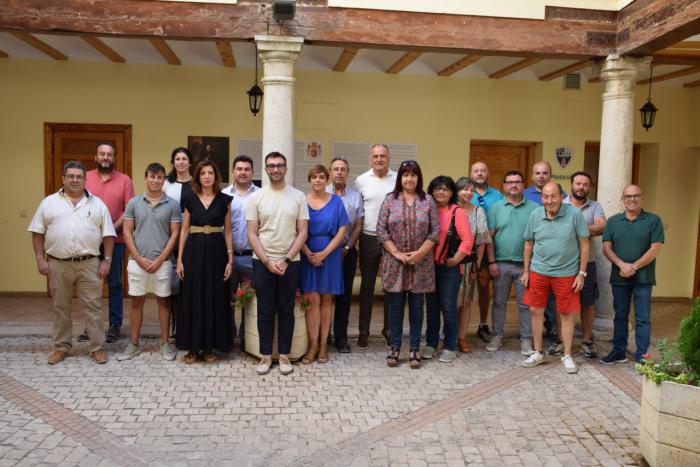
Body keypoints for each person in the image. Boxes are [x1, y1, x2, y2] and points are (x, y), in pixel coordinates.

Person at [29, 161, 116, 365]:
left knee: (93, 307)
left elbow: (109, 235)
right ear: (63, 179)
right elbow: (37, 232)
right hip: (58, 264)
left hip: (89, 264)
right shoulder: (48, 203)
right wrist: (40, 259)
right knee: (60, 307)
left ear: (86, 180)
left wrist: (107, 260)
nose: (75, 180)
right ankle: (61, 347)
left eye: (79, 176)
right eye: (71, 176)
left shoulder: (97, 204)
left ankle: (97, 348)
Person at [247, 152, 309, 375]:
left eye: (279, 165)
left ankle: (284, 355)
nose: (275, 169)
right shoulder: (256, 198)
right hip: (262, 262)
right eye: (271, 166)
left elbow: (302, 232)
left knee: (286, 310)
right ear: (266, 169)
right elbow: (252, 234)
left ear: (286, 168)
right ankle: (265, 356)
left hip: (290, 262)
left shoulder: (298, 196)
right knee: (264, 310)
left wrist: (284, 260)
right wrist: (267, 260)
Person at [520, 182, 589, 374]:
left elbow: (584, 244)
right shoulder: (535, 214)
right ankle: (538, 352)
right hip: (538, 271)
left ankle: (567, 355)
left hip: (566, 273)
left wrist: (581, 273)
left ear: (561, 197)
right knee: (535, 310)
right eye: (545, 197)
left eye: (553, 196)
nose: (549, 201)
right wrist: (526, 270)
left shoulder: (574, 214)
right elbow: (528, 244)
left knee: (566, 313)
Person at [376, 160, 439, 369]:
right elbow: (381, 230)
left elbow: (435, 232)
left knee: (416, 307)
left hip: (421, 264)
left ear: (419, 178)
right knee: (394, 307)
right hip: (395, 263)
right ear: (400, 178)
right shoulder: (390, 200)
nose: (409, 179)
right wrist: (397, 253)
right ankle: (394, 347)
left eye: (413, 175)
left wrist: (419, 254)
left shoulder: (428, 201)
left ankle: (414, 349)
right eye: (405, 175)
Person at [118, 163, 181, 362]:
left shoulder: (172, 204)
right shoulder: (134, 203)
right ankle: (134, 344)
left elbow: (175, 234)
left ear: (164, 180)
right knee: (136, 302)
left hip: (163, 262)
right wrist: (137, 257)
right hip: (137, 261)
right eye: (152, 176)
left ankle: (164, 344)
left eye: (159, 177)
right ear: (145, 178)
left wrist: (161, 258)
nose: (155, 180)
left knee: (164, 301)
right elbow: (127, 231)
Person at [176, 160, 234, 364]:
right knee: (193, 297)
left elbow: (227, 230)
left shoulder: (225, 200)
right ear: (198, 177)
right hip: (193, 253)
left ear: (216, 176)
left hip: (217, 254)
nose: (207, 176)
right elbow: (184, 231)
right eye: (203, 173)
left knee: (213, 297)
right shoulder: (190, 200)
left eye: (210, 173)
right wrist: (180, 260)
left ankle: (210, 347)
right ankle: (193, 348)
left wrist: (230, 259)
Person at [601, 185, 664, 364]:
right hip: (619, 277)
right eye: (628, 196)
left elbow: (655, 249)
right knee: (620, 315)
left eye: (636, 196)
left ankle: (642, 354)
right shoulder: (613, 221)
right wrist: (622, 265)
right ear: (622, 199)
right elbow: (606, 248)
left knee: (642, 317)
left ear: (642, 198)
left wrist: (633, 267)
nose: (632, 199)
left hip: (643, 278)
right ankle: (619, 351)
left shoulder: (653, 220)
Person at [83, 141, 135, 343]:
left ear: (114, 158)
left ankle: (115, 325)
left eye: (109, 154)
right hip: (88, 241)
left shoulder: (124, 180)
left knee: (114, 284)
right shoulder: (84, 177)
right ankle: (91, 327)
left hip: (117, 240)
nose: (106, 157)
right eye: (102, 154)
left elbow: (129, 210)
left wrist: (110, 229)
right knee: (89, 286)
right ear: (95, 157)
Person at [485, 171, 538, 355]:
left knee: (525, 304)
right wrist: (491, 262)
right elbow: (489, 238)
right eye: (510, 182)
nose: (514, 185)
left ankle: (526, 340)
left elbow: (537, 238)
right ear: (504, 186)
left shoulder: (534, 208)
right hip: (501, 263)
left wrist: (530, 267)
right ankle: (497, 336)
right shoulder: (496, 208)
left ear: (524, 185)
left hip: (526, 266)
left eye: (517, 182)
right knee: (499, 302)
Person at [300, 165, 349, 364]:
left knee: (327, 301)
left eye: (321, 177)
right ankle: (312, 345)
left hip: (330, 255)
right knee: (312, 302)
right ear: (309, 180)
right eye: (314, 177)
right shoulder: (302, 200)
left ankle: (323, 345)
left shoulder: (336, 202)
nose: (318, 180)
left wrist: (325, 253)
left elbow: (342, 229)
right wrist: (309, 253)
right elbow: (296, 230)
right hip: (308, 253)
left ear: (327, 179)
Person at [425, 176, 473, 363]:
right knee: (432, 308)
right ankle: (431, 344)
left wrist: (457, 259)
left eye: (445, 189)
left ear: (452, 192)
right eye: (437, 188)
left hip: (449, 269)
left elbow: (467, 239)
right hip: (429, 267)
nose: (441, 192)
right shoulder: (427, 210)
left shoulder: (456, 212)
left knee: (449, 307)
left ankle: (450, 345)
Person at [353, 143, 397, 349]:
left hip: (392, 239)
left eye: (383, 156)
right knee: (367, 286)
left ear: (389, 158)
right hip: (368, 237)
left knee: (390, 285)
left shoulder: (398, 179)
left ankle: (389, 329)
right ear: (370, 158)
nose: (379, 159)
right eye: (375, 156)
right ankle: (363, 330)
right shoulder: (361, 181)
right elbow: (357, 211)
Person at [562, 171, 606, 358]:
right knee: (562, 303)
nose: (581, 187)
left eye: (585, 184)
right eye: (578, 183)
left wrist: (575, 227)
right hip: (562, 263)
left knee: (588, 302)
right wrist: (587, 229)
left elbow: (602, 227)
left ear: (589, 187)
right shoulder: (561, 204)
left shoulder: (595, 206)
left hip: (588, 263)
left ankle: (586, 341)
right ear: (571, 185)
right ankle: (563, 342)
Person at [222, 155, 260, 349]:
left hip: (252, 257)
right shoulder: (223, 195)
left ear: (252, 172)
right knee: (226, 300)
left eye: (247, 169)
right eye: (239, 169)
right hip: (228, 258)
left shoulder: (261, 195)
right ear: (233, 172)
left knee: (250, 300)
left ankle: (247, 337)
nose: (243, 172)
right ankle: (228, 336)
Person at [327, 157, 364, 353]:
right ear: (330, 172)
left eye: (343, 169)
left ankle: (340, 337)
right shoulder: (321, 193)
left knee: (344, 296)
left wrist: (347, 248)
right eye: (335, 169)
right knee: (325, 295)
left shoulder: (355, 196)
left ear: (347, 172)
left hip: (346, 253)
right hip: (325, 253)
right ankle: (323, 336)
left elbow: (358, 226)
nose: (339, 172)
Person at [523, 161, 560, 343]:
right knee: (534, 301)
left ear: (550, 175)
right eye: (537, 173)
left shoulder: (561, 195)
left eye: (545, 172)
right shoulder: (524, 195)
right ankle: (532, 334)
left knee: (553, 300)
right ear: (532, 176)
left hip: (555, 255)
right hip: (534, 251)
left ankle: (553, 330)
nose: (541, 176)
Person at [455, 177, 493, 353]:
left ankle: (462, 337)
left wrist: (476, 265)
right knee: (448, 302)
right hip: (448, 263)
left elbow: (482, 241)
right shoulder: (450, 209)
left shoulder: (478, 212)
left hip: (469, 264)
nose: (469, 193)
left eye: (472, 190)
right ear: (457, 191)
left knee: (466, 302)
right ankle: (448, 335)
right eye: (465, 189)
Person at [469, 162, 502, 344]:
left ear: (487, 173)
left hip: (489, 244)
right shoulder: (465, 192)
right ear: (470, 173)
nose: (480, 174)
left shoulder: (497, 195)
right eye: (476, 171)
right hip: (466, 246)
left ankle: (483, 324)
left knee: (484, 287)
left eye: (483, 170)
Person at [163, 147, 193, 337]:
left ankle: (188, 322)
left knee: (189, 282)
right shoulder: (166, 184)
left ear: (190, 162)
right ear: (173, 162)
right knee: (173, 284)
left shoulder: (197, 182)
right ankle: (175, 323)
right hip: (170, 239)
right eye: (177, 159)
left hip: (192, 239)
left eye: (184, 159)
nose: (181, 162)